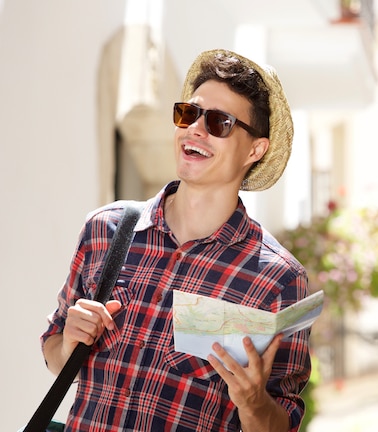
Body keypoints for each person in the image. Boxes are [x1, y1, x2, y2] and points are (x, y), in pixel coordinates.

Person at [41, 49, 311, 432]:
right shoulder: (106, 229)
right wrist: (67, 342)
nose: (195, 129)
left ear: (255, 149)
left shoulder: (278, 280)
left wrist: (254, 403)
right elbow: (53, 352)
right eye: (189, 113)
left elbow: (281, 425)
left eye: (219, 122)